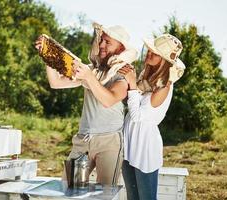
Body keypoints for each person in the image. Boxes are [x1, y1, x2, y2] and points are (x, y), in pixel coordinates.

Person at [35, 22, 138, 185]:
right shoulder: (92, 70)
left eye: (108, 42)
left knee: (105, 193)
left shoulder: (124, 74)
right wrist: (48, 56)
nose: (102, 45)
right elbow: (56, 83)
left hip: (109, 142)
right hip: (83, 140)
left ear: (120, 49)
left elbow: (108, 100)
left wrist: (89, 77)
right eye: (101, 40)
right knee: (69, 188)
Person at [118, 34, 186, 199]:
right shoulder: (146, 76)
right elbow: (130, 101)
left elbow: (137, 116)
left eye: (155, 53)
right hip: (130, 141)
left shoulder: (165, 86)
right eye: (149, 50)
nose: (149, 54)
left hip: (145, 146)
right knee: (132, 197)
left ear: (164, 60)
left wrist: (132, 84)